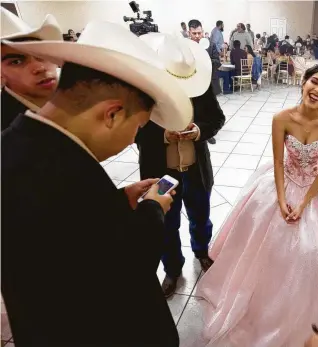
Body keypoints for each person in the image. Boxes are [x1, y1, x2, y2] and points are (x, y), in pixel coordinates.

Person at [1, 21, 193, 346]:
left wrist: (117, 201)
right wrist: (152, 208)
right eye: (138, 127)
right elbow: (122, 271)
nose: (133, 140)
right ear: (112, 114)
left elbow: (66, 234)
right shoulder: (64, 168)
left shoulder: (19, 146)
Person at [197, 62, 318, 347]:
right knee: (265, 244)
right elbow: (277, 160)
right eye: (315, 82)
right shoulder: (281, 118)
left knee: (310, 252)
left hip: (317, 187)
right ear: (304, 82)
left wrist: (304, 203)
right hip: (283, 180)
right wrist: (281, 197)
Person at [139, 23, 226, 297]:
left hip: (196, 169)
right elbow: (134, 130)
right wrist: (165, 135)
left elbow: (217, 118)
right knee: (167, 222)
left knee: (201, 216)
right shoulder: (145, 92)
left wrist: (198, 130)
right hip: (162, 174)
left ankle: (201, 252)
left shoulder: (200, 86)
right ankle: (173, 270)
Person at [1, 9, 62, 131]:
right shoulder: (6, 131)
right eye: (16, 62)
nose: (40, 68)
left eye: (42, 54)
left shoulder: (77, 93)